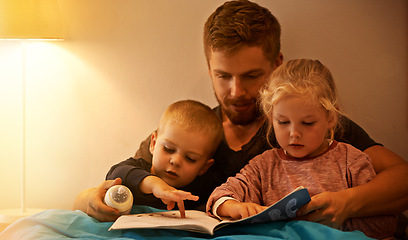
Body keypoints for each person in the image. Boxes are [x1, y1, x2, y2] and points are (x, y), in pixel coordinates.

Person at [75, 0, 408, 227]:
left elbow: (401, 179)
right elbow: (109, 186)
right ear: (209, 68)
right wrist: (95, 201)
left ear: (276, 64)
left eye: (251, 76)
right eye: (223, 76)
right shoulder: (190, 130)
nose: (236, 92)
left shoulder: (309, 125)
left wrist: (348, 202)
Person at [206, 59, 397, 239]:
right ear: (271, 117)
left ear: (331, 117)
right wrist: (233, 207)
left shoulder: (352, 161)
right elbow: (219, 197)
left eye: (307, 123)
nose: (294, 133)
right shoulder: (263, 166)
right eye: (283, 122)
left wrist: (340, 223)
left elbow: (385, 224)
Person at [74, 99, 223, 219]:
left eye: (190, 158)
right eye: (169, 149)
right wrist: (156, 185)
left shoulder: (200, 190)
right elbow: (116, 174)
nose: (175, 161)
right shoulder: (136, 169)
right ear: (153, 143)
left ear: (204, 167)